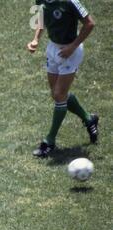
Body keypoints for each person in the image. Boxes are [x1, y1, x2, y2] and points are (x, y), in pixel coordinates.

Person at [27, 0, 99, 157]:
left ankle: (49, 141)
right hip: (53, 48)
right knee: (57, 94)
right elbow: (41, 17)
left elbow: (90, 23)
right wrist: (36, 39)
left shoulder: (70, 2)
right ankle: (89, 119)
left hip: (71, 52)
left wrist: (72, 46)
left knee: (59, 95)